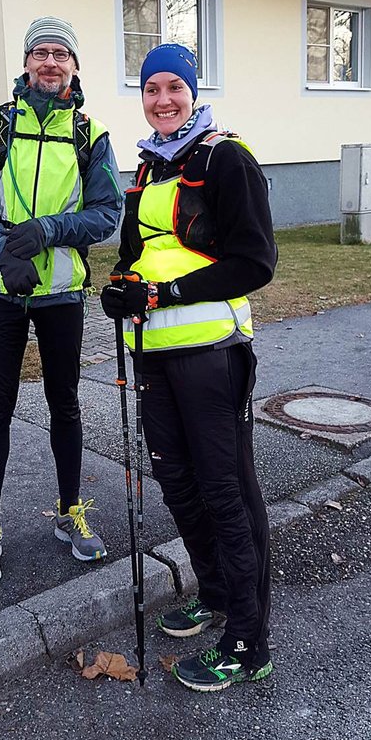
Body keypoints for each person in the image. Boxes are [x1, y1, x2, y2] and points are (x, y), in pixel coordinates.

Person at [100, 42, 277, 692]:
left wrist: (162, 296)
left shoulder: (225, 157)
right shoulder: (146, 169)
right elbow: (133, 260)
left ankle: (247, 642)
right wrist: (118, 290)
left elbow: (255, 262)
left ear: (193, 91)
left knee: (226, 491)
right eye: (151, 89)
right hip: (153, 356)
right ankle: (217, 592)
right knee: (176, 482)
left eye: (174, 87)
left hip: (212, 357)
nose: (163, 100)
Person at [0, 16, 122, 584]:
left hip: (61, 293)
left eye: (60, 54)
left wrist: (47, 231)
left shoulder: (89, 133)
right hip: (1, 290)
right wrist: (5, 249)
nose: (50, 62)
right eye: (40, 53)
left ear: (74, 66)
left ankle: (70, 512)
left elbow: (107, 212)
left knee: (65, 404)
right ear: (25, 62)